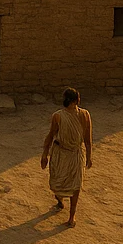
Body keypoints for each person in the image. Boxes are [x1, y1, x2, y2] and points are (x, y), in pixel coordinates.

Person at [40, 89, 93, 227]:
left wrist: (89, 156)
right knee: (58, 182)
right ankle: (60, 201)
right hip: (61, 154)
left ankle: (71, 215)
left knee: (75, 184)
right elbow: (51, 135)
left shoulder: (84, 115)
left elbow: (87, 139)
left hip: (74, 154)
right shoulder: (59, 116)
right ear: (76, 100)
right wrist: (45, 154)